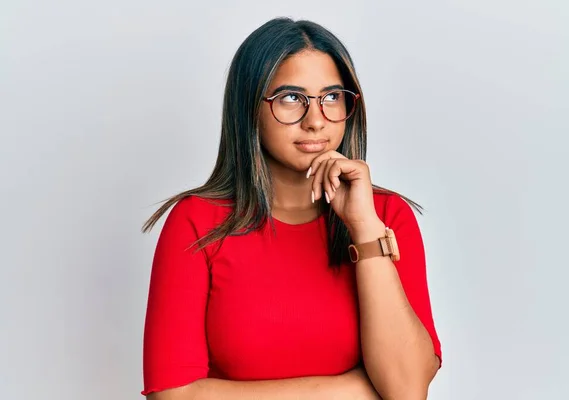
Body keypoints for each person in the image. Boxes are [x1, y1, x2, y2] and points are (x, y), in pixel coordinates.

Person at [140, 17, 442, 399]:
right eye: (290, 98)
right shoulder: (197, 222)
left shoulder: (386, 216)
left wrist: (365, 230)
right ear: (249, 107)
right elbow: (173, 395)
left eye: (332, 97)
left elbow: (406, 391)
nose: (316, 121)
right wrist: (359, 391)